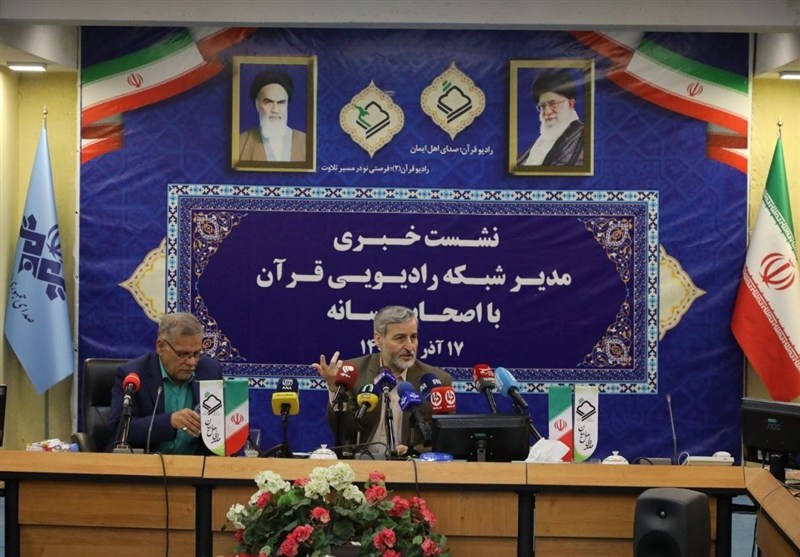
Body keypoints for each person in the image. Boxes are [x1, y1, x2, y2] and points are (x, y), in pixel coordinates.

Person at [313, 305, 452, 457]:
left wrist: (413, 451)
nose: (409, 346)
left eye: (413, 337)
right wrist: (334, 389)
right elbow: (344, 433)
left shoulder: (437, 381)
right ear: (378, 339)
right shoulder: (353, 373)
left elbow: (443, 438)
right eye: (400, 338)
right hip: (362, 463)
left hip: (412, 465)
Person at [107, 312, 223, 454]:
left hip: (196, 465)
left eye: (196, 354)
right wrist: (169, 421)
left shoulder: (210, 371)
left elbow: (223, 427)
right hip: (146, 464)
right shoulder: (133, 375)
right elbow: (120, 430)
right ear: (161, 347)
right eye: (183, 354)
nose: (192, 362)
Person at [518, 68, 585, 167]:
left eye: (553, 104)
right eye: (543, 106)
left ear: (570, 104)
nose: (547, 112)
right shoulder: (540, 142)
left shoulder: (583, 138)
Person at [239, 68, 307, 162]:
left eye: (281, 102)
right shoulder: (240, 143)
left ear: (287, 104)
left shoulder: (306, 142)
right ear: (257, 104)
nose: (275, 110)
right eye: (268, 102)